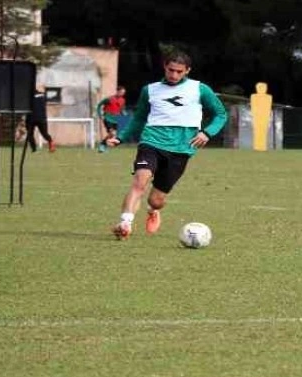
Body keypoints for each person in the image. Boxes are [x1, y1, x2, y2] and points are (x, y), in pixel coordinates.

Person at [106, 51, 227, 240]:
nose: (174, 75)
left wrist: (207, 132)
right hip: (151, 141)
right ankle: (125, 223)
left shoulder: (200, 89)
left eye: (179, 71)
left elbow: (221, 114)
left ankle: (153, 210)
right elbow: (138, 119)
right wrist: (121, 137)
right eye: (171, 70)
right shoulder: (150, 90)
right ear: (164, 66)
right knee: (140, 181)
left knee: (156, 200)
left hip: (182, 148)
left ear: (187, 70)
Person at [25, 84, 55, 153]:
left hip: (31, 118)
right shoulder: (42, 95)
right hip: (41, 118)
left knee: (30, 134)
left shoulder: (27, 97)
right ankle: (51, 142)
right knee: (44, 134)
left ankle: (34, 149)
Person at [96, 85, 127, 153]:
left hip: (115, 120)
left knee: (112, 135)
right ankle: (102, 145)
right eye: (121, 92)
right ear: (117, 91)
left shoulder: (122, 100)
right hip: (108, 118)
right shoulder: (109, 99)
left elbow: (121, 109)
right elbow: (99, 105)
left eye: (123, 92)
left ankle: (103, 145)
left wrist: (123, 112)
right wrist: (99, 114)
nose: (123, 94)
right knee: (112, 133)